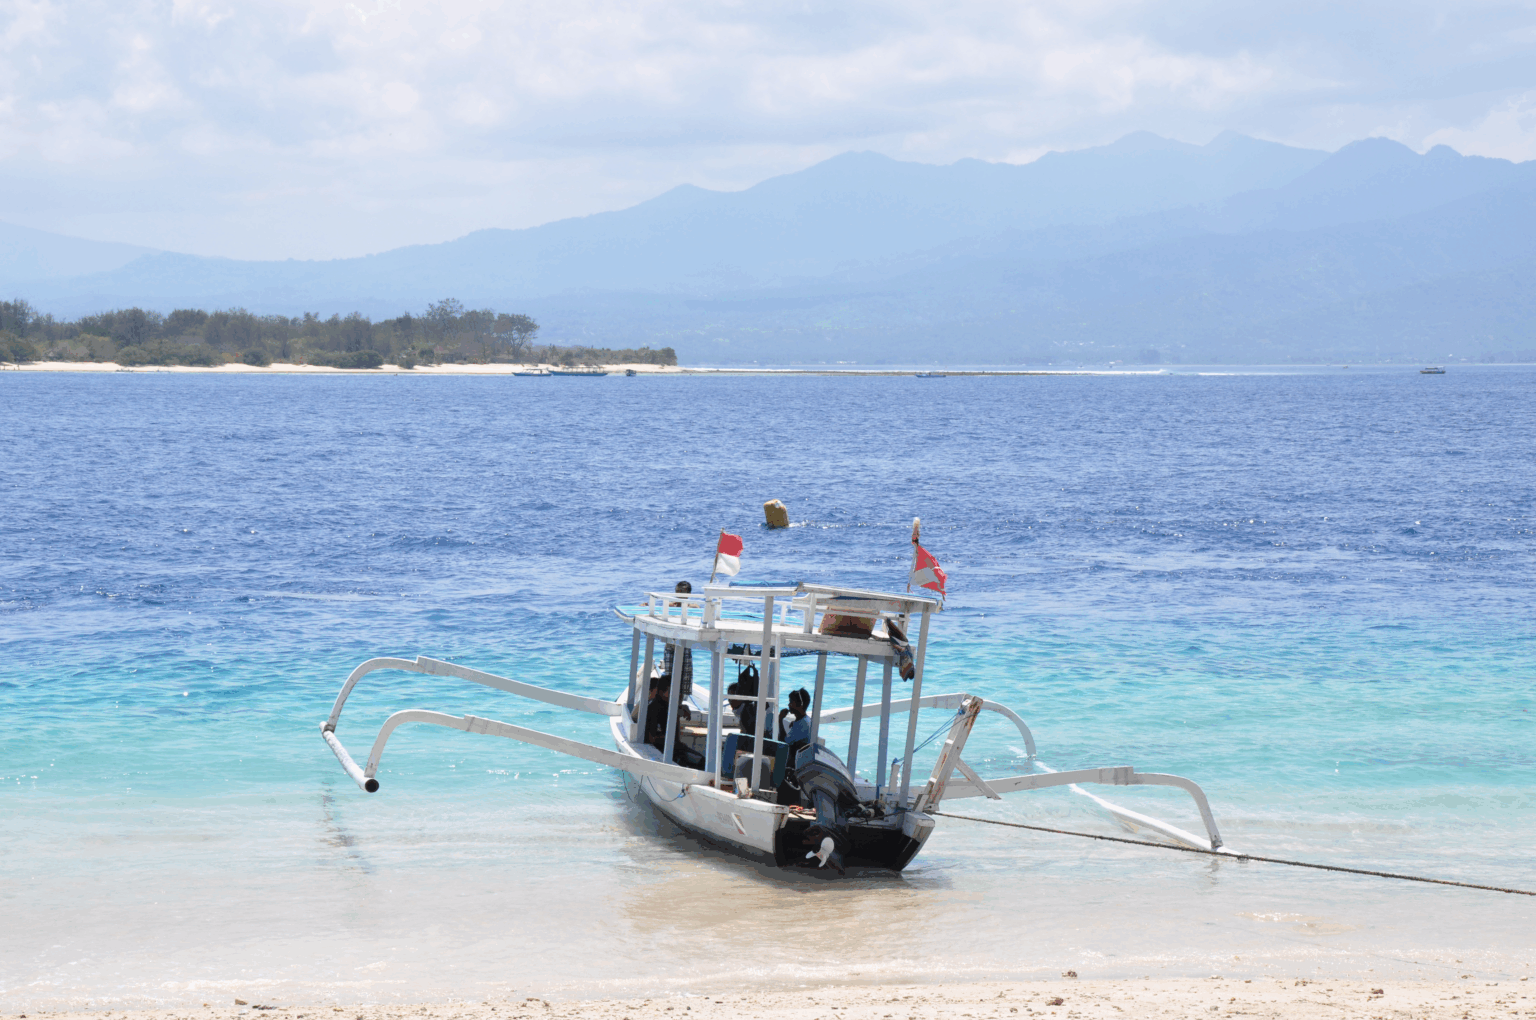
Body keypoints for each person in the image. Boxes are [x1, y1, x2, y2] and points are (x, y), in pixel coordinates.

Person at [661, 581, 694, 697]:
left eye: (682, 593)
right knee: (670, 677)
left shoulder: (693, 607)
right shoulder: (670, 606)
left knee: (685, 677)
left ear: (689, 594)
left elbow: (696, 609)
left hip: (685, 646)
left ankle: (680, 701)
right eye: (677, 593)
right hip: (671, 646)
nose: (679, 596)